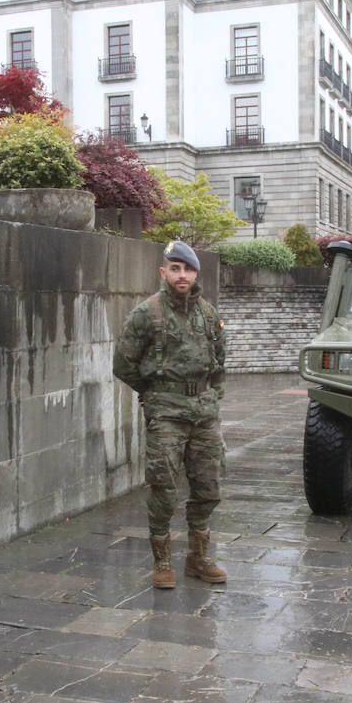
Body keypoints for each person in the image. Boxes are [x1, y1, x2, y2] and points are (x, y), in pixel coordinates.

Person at [113, 240, 228, 589]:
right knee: (164, 489)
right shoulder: (147, 313)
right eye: (175, 268)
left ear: (196, 274)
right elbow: (123, 363)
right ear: (163, 272)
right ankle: (162, 561)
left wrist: (212, 398)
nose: (182, 275)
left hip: (204, 415)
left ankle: (199, 558)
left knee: (208, 488)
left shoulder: (208, 314)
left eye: (188, 269)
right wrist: (152, 395)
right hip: (166, 414)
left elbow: (219, 363)